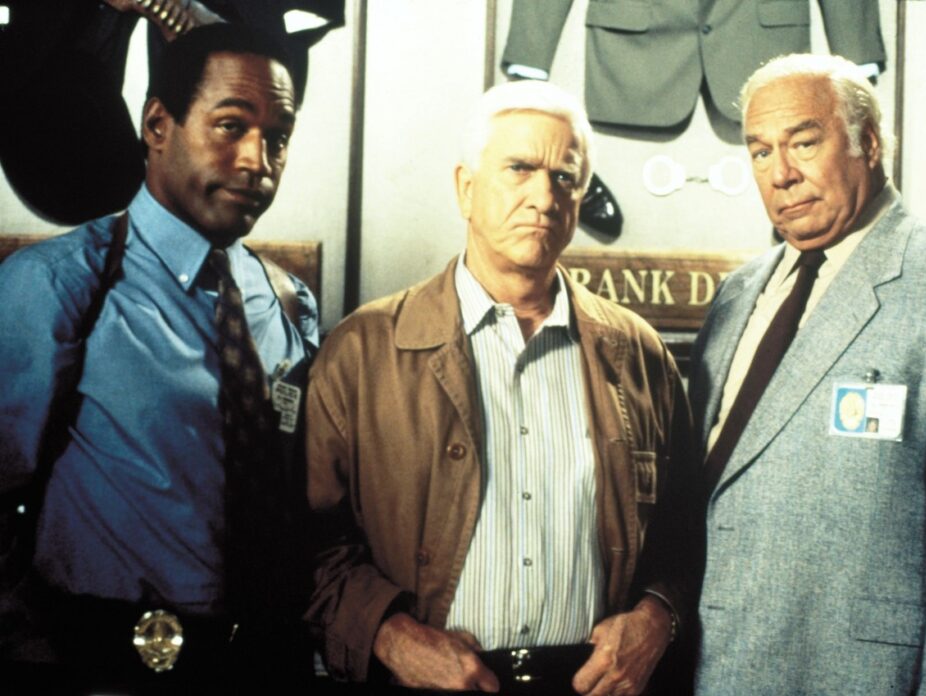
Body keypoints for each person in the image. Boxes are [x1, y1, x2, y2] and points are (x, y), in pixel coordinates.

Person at [305, 80, 696, 695]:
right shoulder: (362, 350)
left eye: (564, 177)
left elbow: (685, 533)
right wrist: (390, 636)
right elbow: (307, 543)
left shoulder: (639, 355)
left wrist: (657, 616)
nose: (544, 197)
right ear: (466, 187)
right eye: (519, 168)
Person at [688, 53, 926, 694]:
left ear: (868, 143)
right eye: (760, 152)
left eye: (803, 143)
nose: (780, 174)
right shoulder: (737, 294)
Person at [0, 23, 319, 691]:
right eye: (231, 126)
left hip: (264, 663)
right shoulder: (58, 285)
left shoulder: (290, 303)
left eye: (278, 137)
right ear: (157, 125)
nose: (258, 161)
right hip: (104, 660)